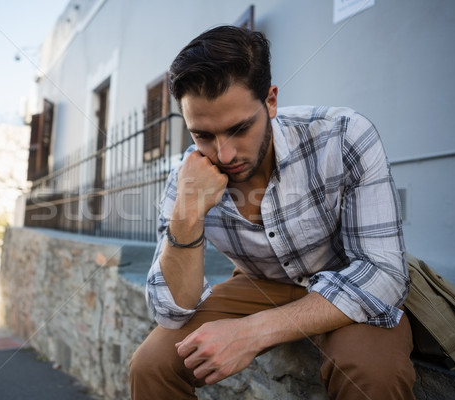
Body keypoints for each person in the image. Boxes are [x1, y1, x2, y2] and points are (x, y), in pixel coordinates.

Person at [129, 25, 416, 399]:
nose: (224, 153)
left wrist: (253, 332)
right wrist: (187, 214)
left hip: (347, 276)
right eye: (202, 135)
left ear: (271, 100)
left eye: (239, 128)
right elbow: (170, 312)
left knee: (370, 374)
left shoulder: (342, 136)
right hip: (260, 283)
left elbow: (384, 272)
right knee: (151, 366)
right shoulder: (187, 176)